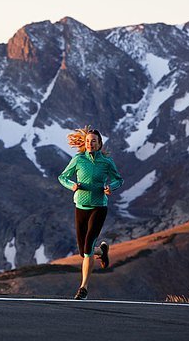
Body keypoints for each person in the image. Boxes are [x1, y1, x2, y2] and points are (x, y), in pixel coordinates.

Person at [58, 126, 123, 300]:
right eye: (88, 141)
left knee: (87, 250)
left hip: (99, 207)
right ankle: (102, 251)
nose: (90, 144)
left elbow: (119, 179)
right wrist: (72, 185)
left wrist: (111, 188)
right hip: (81, 206)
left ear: (100, 144)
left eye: (94, 141)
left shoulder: (106, 162)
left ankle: (83, 288)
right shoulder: (78, 159)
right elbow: (62, 177)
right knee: (83, 251)